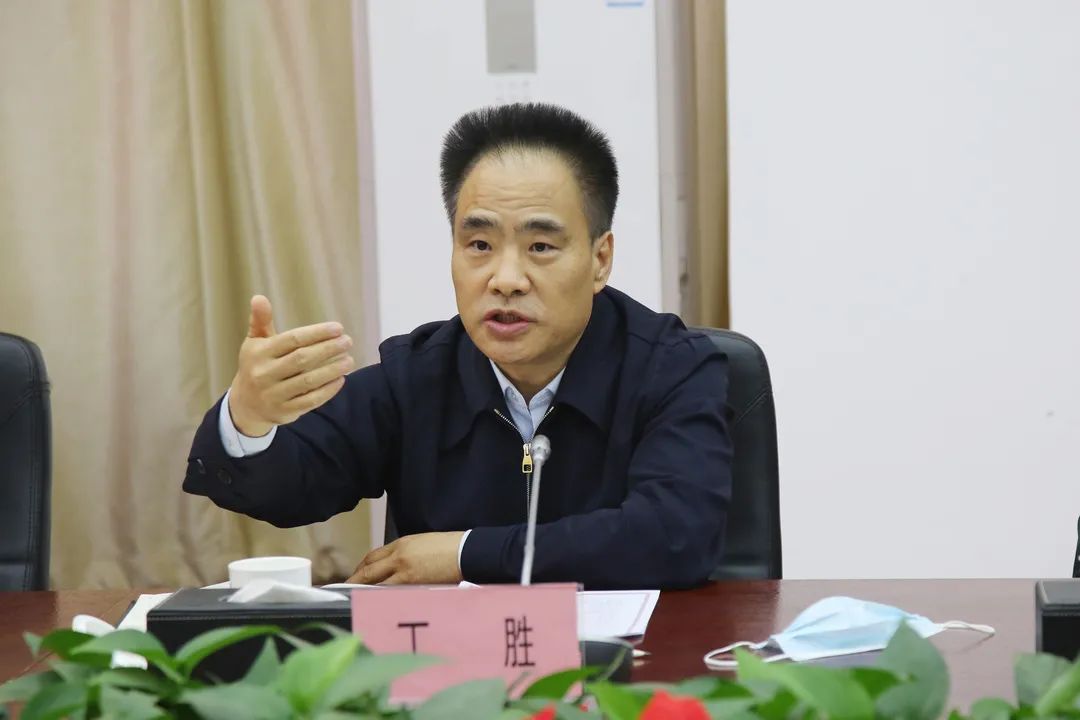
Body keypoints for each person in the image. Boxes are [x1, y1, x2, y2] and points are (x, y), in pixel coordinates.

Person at [183, 103, 732, 589]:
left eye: (541, 246)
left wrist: (465, 554)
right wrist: (248, 416)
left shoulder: (674, 369)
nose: (506, 279)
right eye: (479, 244)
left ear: (600, 259)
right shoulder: (417, 375)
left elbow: (673, 534)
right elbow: (289, 489)